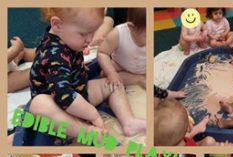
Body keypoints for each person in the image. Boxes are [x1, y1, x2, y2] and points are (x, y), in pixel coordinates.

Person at [27, 7, 145, 144]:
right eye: (84, 34)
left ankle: (128, 121)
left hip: (78, 93)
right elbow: (62, 95)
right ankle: (84, 131)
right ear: (57, 25)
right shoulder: (53, 53)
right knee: (38, 105)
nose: (90, 39)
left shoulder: (68, 38)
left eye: (93, 32)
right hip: (58, 108)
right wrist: (93, 115)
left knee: (113, 83)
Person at [97, 8, 146, 88]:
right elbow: (102, 53)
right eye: (146, 35)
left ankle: (139, 78)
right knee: (104, 74)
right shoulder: (118, 34)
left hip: (143, 69)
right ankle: (138, 79)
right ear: (131, 27)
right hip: (120, 65)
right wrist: (111, 73)